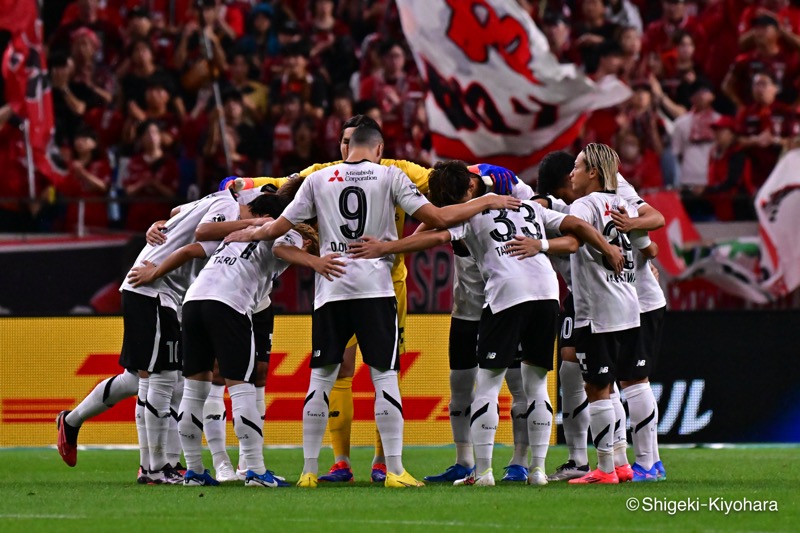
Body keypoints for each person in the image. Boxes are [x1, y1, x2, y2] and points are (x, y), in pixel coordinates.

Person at [224, 126, 523, 488]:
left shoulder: (318, 178)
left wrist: (246, 231)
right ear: (378, 147)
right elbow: (441, 216)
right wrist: (487, 199)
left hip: (331, 288)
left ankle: (308, 471)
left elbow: (278, 224)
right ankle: (393, 470)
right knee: (384, 377)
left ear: (347, 145)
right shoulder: (392, 174)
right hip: (376, 286)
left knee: (321, 377)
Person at [348, 163, 624, 487]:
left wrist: (384, 248)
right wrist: (607, 248)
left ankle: (483, 472)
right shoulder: (527, 205)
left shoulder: (468, 215)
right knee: (535, 386)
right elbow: (575, 224)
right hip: (546, 293)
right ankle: (537, 470)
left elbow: (433, 235)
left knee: (489, 386)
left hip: (505, 295)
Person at [55, 188, 267, 480]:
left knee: (147, 379)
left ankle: (146, 457)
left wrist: (155, 226)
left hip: (165, 294)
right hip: (154, 289)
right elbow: (200, 237)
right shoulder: (228, 209)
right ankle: (155, 467)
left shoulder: (210, 203)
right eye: (258, 215)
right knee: (162, 379)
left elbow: (174, 214)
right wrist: (250, 225)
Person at [127, 197, 329, 487]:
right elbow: (284, 247)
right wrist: (315, 262)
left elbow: (185, 230)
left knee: (194, 391)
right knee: (242, 387)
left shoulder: (234, 233)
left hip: (194, 302)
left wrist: (160, 232)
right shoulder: (289, 231)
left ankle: (195, 471)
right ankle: (256, 471)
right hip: (228, 305)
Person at [560, 144, 649, 485]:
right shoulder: (624, 204)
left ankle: (605, 469)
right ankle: (622, 463)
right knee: (611, 387)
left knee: (596, 387)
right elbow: (648, 245)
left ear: (593, 173)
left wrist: (538, 244)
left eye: (578, 167)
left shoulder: (583, 205)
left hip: (598, 310)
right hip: (628, 305)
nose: (572, 173)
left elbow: (572, 242)